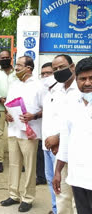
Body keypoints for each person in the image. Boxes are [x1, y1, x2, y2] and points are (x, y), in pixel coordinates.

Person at [1, 56, 43, 213]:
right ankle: (13, 195)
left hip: (30, 133)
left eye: (19, 65)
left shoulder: (39, 86)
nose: (16, 68)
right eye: (16, 65)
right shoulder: (14, 84)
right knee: (13, 164)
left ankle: (28, 197)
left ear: (29, 68)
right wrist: (7, 114)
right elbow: (8, 105)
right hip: (13, 130)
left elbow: (46, 108)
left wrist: (34, 116)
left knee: (30, 166)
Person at [54, 57, 92, 214]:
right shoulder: (71, 104)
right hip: (78, 176)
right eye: (83, 79)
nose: (88, 83)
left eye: (91, 78)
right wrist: (58, 171)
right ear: (76, 80)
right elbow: (65, 140)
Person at [49, 55, 80, 214]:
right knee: (61, 194)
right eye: (55, 69)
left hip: (79, 151)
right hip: (59, 151)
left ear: (72, 67)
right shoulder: (57, 90)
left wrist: (58, 139)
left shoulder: (82, 89)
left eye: (61, 67)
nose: (58, 71)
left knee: (78, 198)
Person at [0, 50, 17, 173]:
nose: (5, 59)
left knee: (16, 134)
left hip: (15, 109)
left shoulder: (17, 73)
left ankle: (17, 160)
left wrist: (11, 101)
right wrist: (0, 98)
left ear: (11, 58)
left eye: (7, 57)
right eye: (3, 58)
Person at [41, 62, 58, 214]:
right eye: (43, 74)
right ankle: (55, 208)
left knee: (60, 180)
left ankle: (61, 209)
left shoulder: (63, 93)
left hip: (57, 145)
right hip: (45, 144)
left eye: (49, 73)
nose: (46, 76)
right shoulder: (47, 94)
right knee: (49, 178)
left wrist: (58, 138)